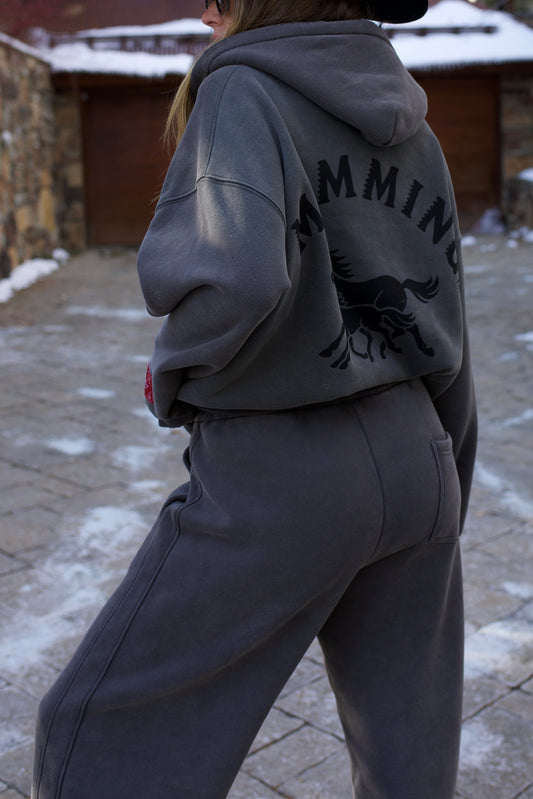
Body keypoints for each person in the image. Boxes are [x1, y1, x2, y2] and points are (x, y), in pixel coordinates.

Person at [32, 0, 477, 796]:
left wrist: (173, 375)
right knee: (408, 764)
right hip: (420, 454)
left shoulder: (242, 90)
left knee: (95, 733)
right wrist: (446, 479)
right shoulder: (416, 127)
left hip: (284, 467)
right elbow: (446, 320)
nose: (203, 9)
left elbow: (231, 272)